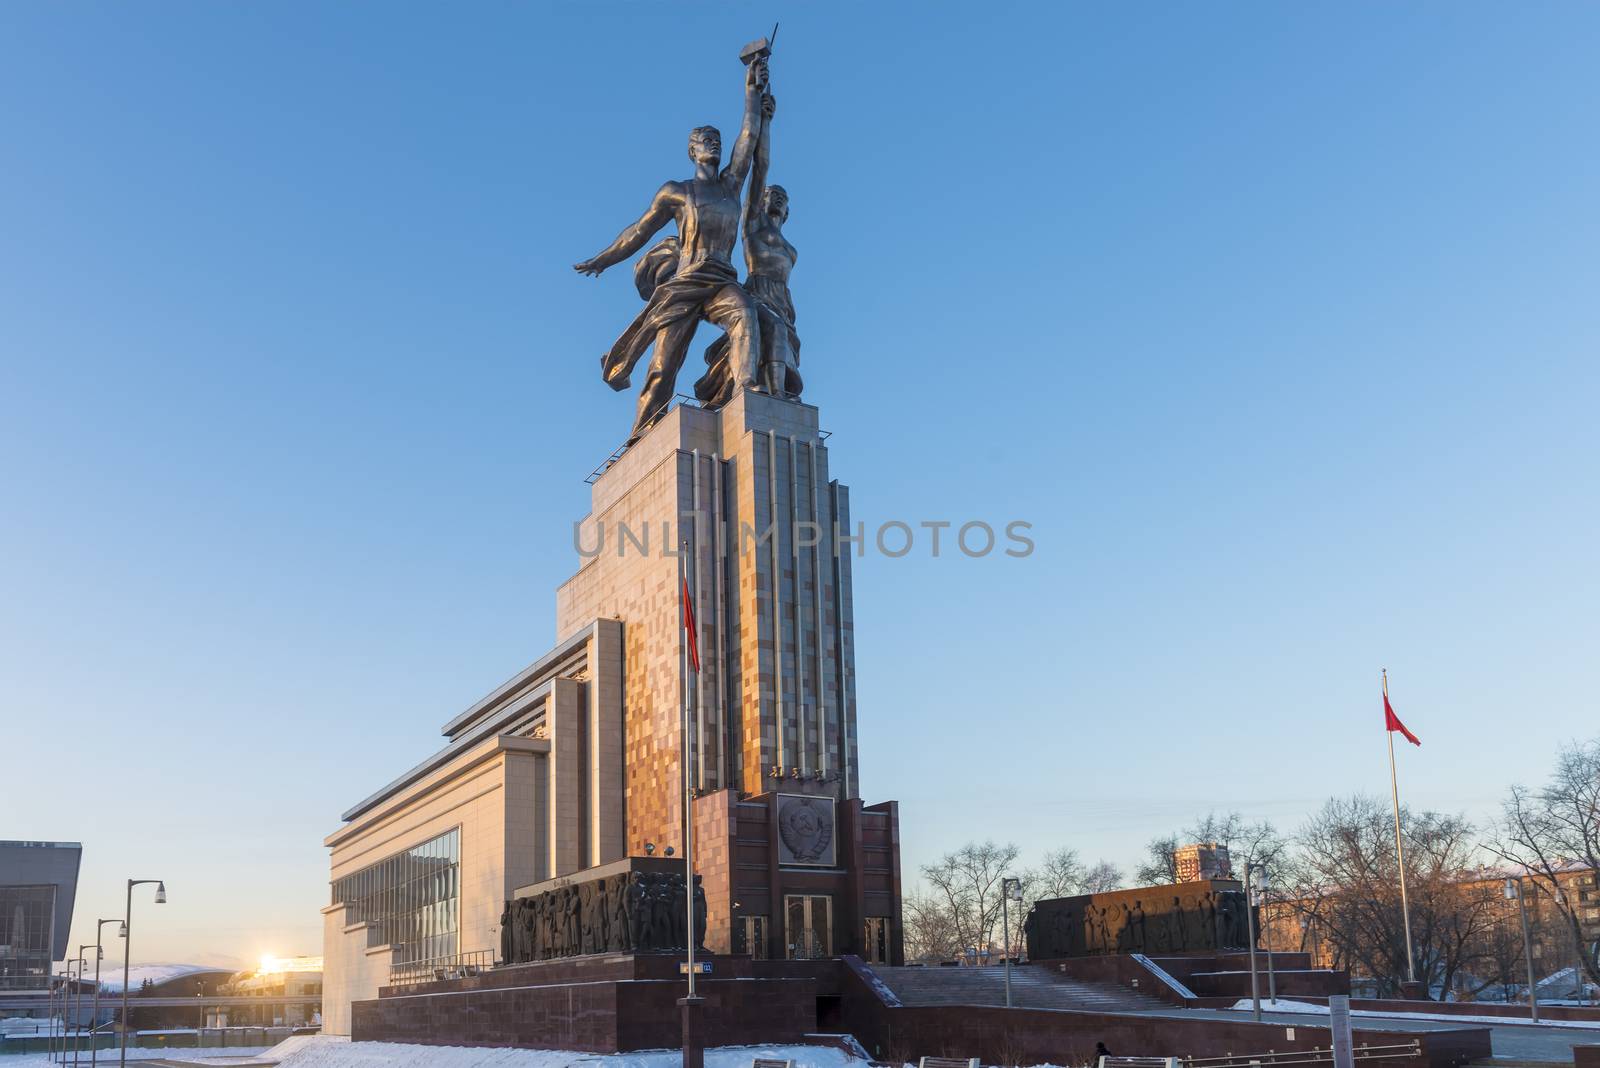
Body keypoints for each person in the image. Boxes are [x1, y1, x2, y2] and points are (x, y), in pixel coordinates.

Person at [575, 57, 770, 444]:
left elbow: (747, 140)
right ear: (692, 152)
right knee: (663, 365)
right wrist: (604, 258)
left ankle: (747, 387)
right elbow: (640, 230)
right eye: (705, 141)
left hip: (719, 281)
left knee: (746, 315)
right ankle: (642, 433)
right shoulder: (677, 191)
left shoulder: (731, 185)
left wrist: (751, 91)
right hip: (684, 282)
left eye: (717, 139)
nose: (714, 144)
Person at [695, 90, 801, 406]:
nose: (776, 197)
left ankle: (776, 397)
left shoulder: (790, 248)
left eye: (782, 197)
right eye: (770, 194)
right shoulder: (753, 226)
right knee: (774, 331)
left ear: (788, 212)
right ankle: (774, 397)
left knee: (780, 336)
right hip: (758, 292)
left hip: (783, 301)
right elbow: (762, 165)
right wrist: (765, 122)